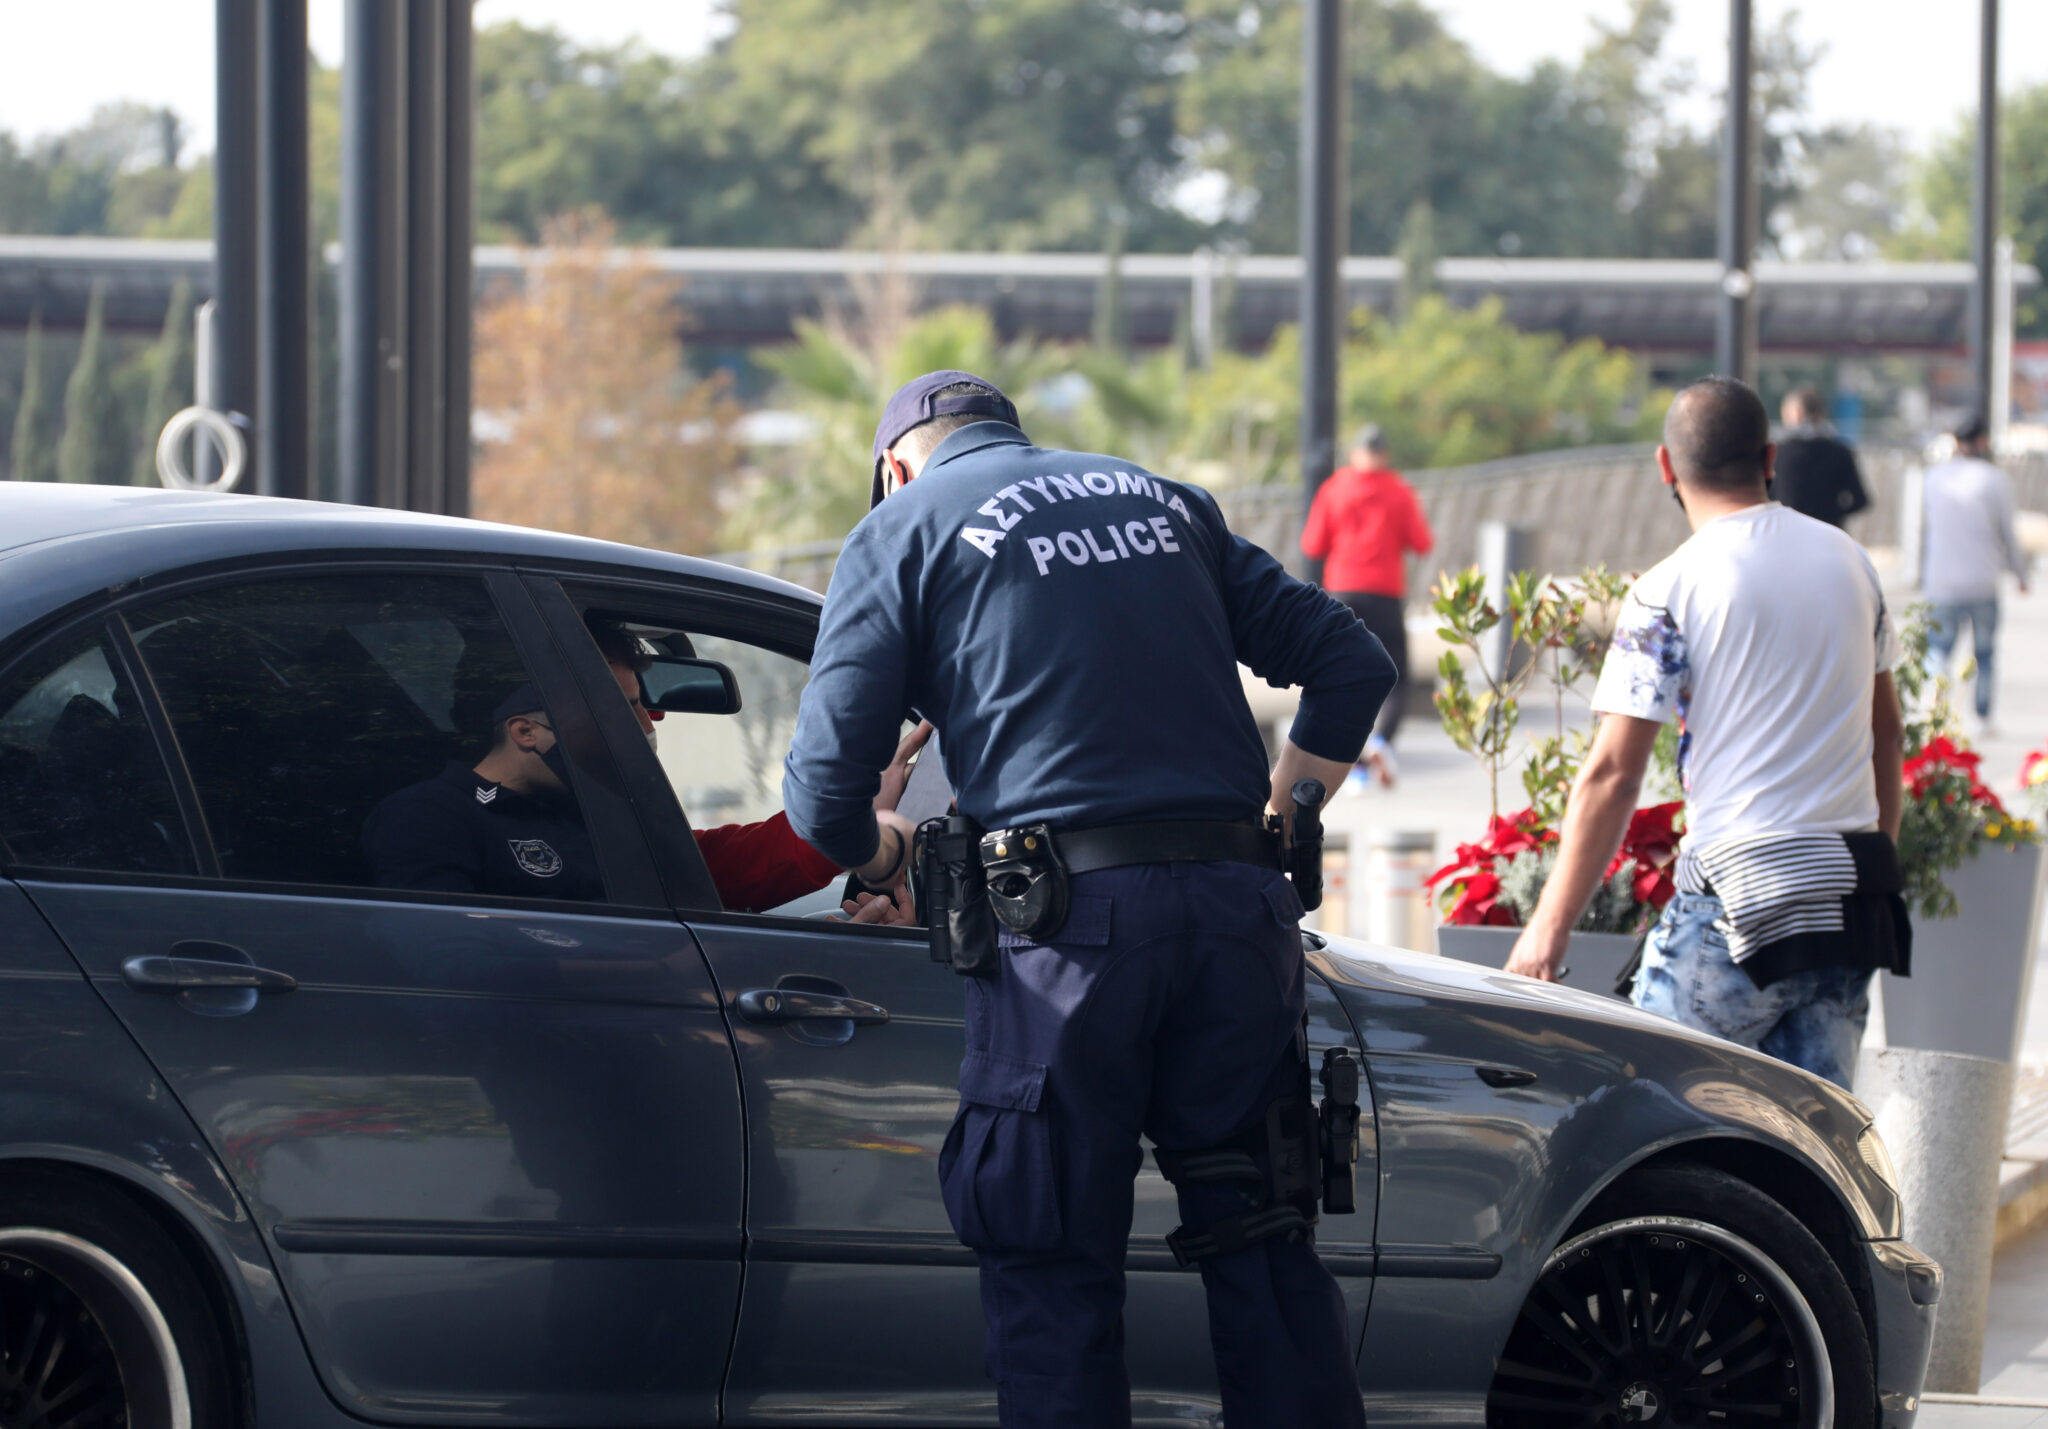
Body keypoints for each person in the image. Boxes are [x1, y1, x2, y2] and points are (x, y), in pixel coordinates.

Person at [783, 370, 1393, 1428]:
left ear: (893, 470)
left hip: (1068, 939)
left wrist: (885, 853)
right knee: (1261, 1237)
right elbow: (1350, 659)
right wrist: (1276, 816)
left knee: (1048, 1253)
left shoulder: (902, 530)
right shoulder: (1163, 498)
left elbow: (820, 796)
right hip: (1239, 922)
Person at [1504, 377, 1909, 1091]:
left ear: (1665, 465)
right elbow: (1888, 734)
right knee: (1810, 1133)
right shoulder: (1850, 561)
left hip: (1738, 904)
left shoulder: (1670, 587)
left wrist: (1548, 928)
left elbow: (1613, 774)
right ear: (1770, 458)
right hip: (1851, 907)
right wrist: (1876, 859)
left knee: (1643, 1106)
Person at [365, 623, 921, 922]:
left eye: (642, 704)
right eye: (622, 708)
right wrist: (666, 968)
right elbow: (458, 965)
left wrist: (847, 815)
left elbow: (714, 868)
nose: (649, 722)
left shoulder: (591, 811)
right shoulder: (428, 817)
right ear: (525, 731)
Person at [1299, 422, 1432, 787]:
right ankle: (1381, 742)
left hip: (1343, 591)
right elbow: (1422, 543)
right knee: (1396, 674)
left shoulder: (1333, 488)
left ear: (1354, 453)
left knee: (1344, 674)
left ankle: (1354, 764)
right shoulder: (1399, 490)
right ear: (1385, 454)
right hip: (1385, 593)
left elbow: (1312, 544)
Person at [1921, 413, 2029, 734]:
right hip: (1982, 579)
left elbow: (1923, 530)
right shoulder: (1995, 479)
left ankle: (1936, 710)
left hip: (1941, 580)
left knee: (1939, 649)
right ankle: (1983, 717)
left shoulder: (1933, 478)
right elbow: (2007, 533)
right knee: (1985, 653)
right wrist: (2020, 574)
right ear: (1982, 441)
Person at [1771, 386, 1868, 529]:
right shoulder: (1840, 452)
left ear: (1796, 413)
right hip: (1828, 532)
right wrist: (1834, 513)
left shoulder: (1778, 453)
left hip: (1788, 532)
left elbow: (1767, 497)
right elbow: (1860, 500)